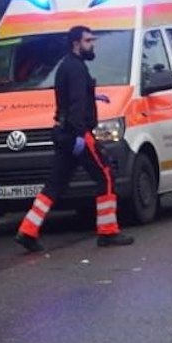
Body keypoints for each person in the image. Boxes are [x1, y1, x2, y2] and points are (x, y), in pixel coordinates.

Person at [15, 26, 135, 252]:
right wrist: (80, 134)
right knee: (106, 176)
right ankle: (108, 231)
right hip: (77, 134)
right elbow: (76, 103)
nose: (93, 45)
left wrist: (93, 96)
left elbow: (71, 97)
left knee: (55, 184)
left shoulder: (66, 66)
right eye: (88, 41)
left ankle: (28, 230)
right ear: (76, 44)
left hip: (63, 133)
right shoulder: (77, 68)